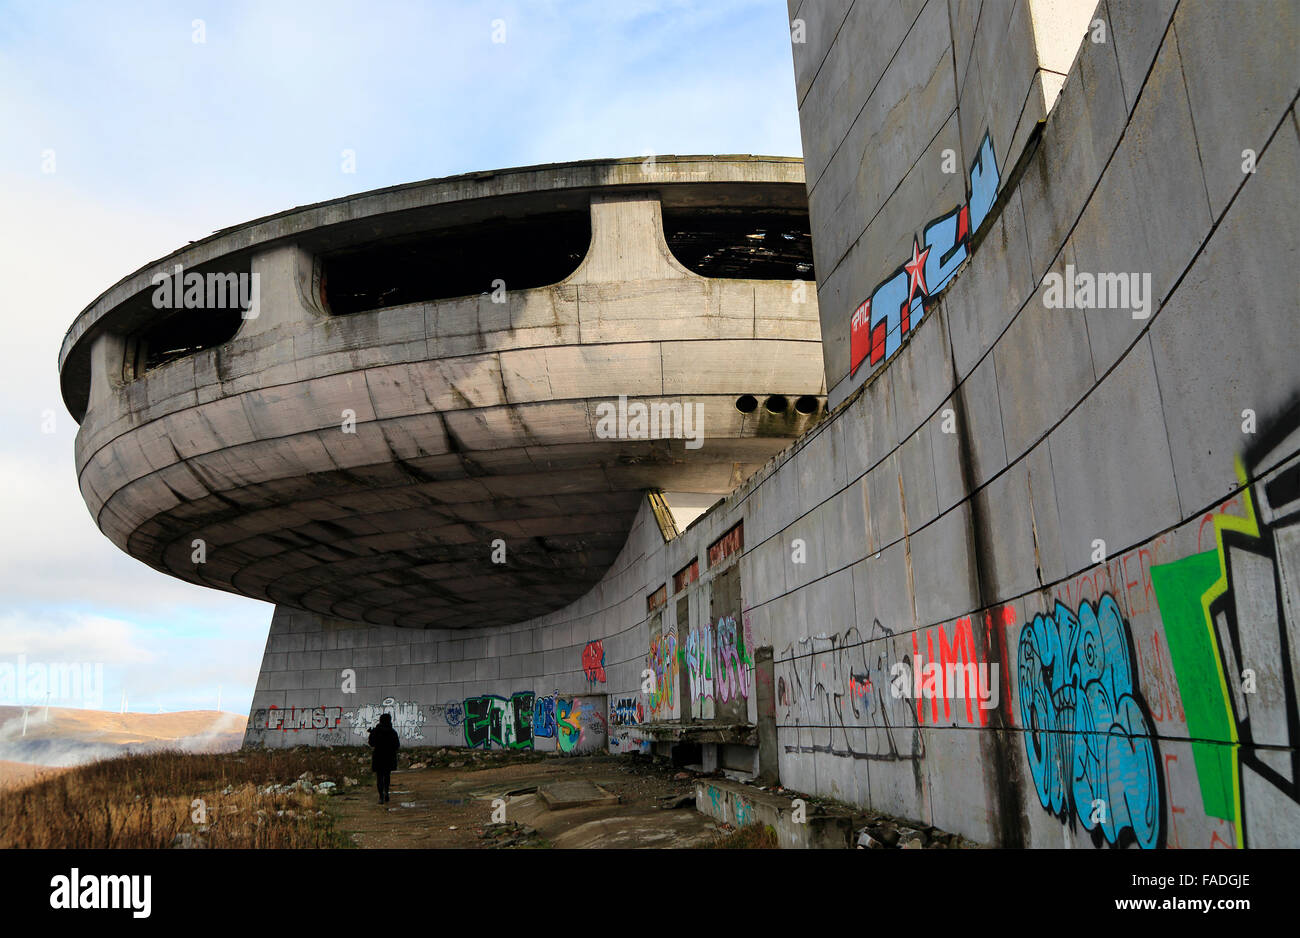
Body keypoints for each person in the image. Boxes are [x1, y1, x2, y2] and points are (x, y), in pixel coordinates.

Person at [367, 713, 400, 804]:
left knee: (379, 777)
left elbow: (371, 743)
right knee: (387, 776)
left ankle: (381, 796)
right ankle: (386, 792)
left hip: (378, 756)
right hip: (389, 757)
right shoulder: (393, 732)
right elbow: (397, 745)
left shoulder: (376, 731)